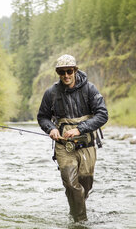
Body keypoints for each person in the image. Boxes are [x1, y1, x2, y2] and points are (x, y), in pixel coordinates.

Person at [37, 54, 108, 222]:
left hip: (87, 143)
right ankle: (81, 221)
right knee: (70, 182)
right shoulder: (51, 93)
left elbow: (102, 115)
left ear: (75, 70)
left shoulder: (90, 89)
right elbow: (42, 117)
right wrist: (51, 128)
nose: (66, 75)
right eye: (62, 72)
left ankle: (75, 212)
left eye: (69, 71)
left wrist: (79, 129)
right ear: (58, 73)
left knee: (85, 184)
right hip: (63, 145)